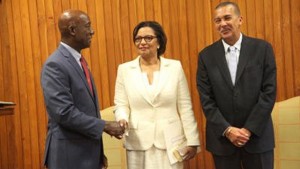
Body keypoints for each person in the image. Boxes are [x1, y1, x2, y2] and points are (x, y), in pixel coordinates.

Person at [196, 2, 277, 169]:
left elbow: (269, 92)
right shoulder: (206, 56)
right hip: (223, 140)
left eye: (227, 18)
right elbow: (206, 99)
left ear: (240, 20)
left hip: (258, 138)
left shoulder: (262, 49)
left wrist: (248, 130)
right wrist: (228, 130)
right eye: (217, 20)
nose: (222, 24)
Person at [41, 9, 125, 169]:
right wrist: (104, 125)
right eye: (87, 26)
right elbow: (63, 112)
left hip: (86, 154)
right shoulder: (55, 64)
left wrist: (98, 154)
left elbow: (86, 109)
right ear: (73, 30)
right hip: (69, 156)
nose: (92, 31)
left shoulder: (78, 61)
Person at [114, 21, 200, 169]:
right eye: (138, 39)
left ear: (159, 41)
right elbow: (121, 104)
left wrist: (192, 140)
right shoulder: (125, 70)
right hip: (138, 142)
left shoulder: (175, 67)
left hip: (170, 143)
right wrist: (122, 118)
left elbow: (185, 106)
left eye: (148, 38)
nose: (142, 42)